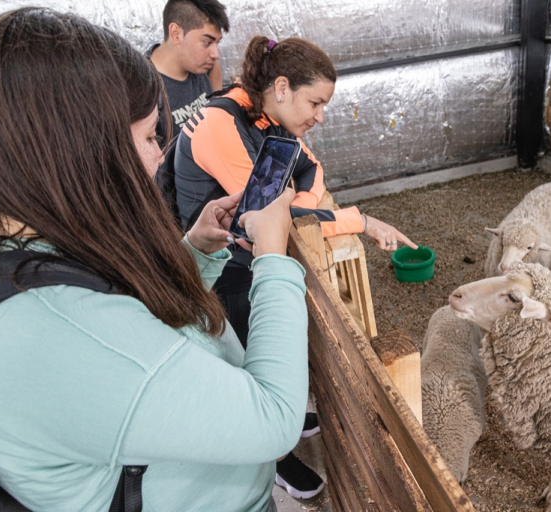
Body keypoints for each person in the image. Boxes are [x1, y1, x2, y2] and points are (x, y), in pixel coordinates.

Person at [0, 8, 308, 512]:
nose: (159, 157)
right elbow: (274, 419)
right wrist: (275, 258)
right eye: (150, 137)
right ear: (82, 150)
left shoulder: (32, 249)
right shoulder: (55, 335)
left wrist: (196, 252)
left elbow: (132, 323)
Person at [173, 35, 417, 499]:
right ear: (282, 87)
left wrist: (298, 201)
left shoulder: (265, 114)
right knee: (245, 356)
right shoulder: (223, 124)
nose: (320, 116)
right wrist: (361, 221)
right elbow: (269, 215)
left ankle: (283, 422)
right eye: (316, 103)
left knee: (265, 339)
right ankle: (272, 458)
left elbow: (310, 168)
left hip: (247, 255)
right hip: (216, 269)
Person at [148, 0, 229, 144]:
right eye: (207, 42)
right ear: (176, 34)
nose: (215, 54)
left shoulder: (208, 67)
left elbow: (217, 117)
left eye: (217, 43)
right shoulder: (145, 86)